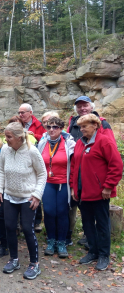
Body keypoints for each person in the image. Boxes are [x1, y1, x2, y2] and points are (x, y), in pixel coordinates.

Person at [70, 114, 122, 271]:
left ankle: (104, 254)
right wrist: (73, 187)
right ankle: (92, 251)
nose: (81, 129)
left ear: (95, 125)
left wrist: (108, 186)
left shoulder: (104, 141)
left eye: (85, 126)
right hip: (82, 192)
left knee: (102, 224)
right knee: (87, 224)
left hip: (100, 193)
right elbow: (74, 168)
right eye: (80, 126)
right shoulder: (80, 143)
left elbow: (116, 164)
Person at [0, 122, 47, 280]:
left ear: (19, 137)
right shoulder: (5, 149)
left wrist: (37, 195)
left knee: (27, 229)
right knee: (9, 227)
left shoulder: (32, 151)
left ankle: (34, 264)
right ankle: (14, 259)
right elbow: (2, 170)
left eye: (9, 137)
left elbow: (42, 173)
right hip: (10, 195)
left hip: (28, 197)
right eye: (6, 136)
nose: (6, 139)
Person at [67, 96, 115, 248]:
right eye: (79, 106)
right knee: (87, 218)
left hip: (98, 185)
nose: (82, 108)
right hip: (82, 184)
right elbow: (73, 160)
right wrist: (74, 185)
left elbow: (114, 161)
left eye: (85, 105)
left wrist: (108, 185)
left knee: (101, 219)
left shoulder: (103, 129)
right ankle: (91, 244)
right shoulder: (76, 131)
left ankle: (102, 251)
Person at [37, 117, 76, 258]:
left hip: (63, 183)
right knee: (48, 211)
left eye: (55, 127)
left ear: (61, 129)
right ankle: (51, 240)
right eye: (49, 127)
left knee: (62, 212)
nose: (52, 130)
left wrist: (72, 186)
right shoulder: (42, 143)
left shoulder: (69, 143)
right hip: (47, 183)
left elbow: (74, 165)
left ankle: (61, 242)